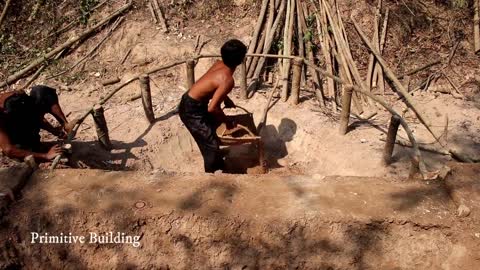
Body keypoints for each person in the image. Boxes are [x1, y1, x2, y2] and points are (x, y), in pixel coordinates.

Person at [179, 39, 247, 173]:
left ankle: (219, 163)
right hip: (191, 111)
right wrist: (226, 120)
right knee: (210, 146)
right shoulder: (228, 80)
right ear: (240, 60)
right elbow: (212, 108)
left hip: (190, 100)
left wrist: (225, 98)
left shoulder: (218, 64)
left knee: (212, 132)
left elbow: (213, 85)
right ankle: (210, 176)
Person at [0, 85, 72, 161]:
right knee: (20, 149)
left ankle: (65, 124)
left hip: (21, 117)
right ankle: (34, 149)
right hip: (16, 139)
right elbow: (8, 150)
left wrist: (54, 131)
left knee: (41, 92)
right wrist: (45, 156)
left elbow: (34, 116)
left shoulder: (17, 97)